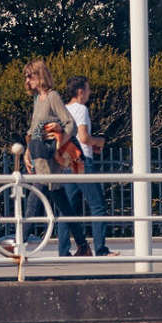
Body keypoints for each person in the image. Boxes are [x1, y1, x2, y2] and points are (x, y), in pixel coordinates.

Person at [22, 60, 82, 255]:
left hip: (48, 155)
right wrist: (27, 152)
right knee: (60, 200)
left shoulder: (52, 96)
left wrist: (60, 141)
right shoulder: (38, 100)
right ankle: (83, 245)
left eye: (30, 76)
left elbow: (70, 124)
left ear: (40, 76)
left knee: (36, 194)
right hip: (38, 151)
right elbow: (33, 130)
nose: (27, 80)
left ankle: (20, 241)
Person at [63, 75, 113, 256]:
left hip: (67, 161)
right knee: (97, 205)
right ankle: (101, 249)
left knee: (67, 208)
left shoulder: (62, 109)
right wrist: (99, 142)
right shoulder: (81, 109)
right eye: (88, 89)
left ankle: (64, 251)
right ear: (80, 92)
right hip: (83, 161)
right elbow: (83, 137)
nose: (90, 93)